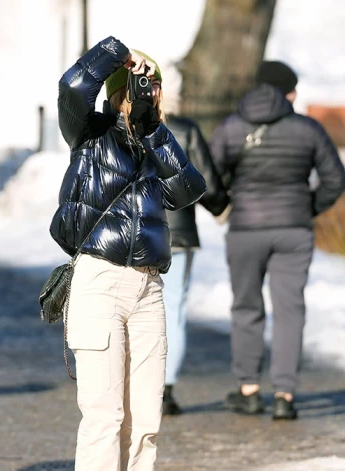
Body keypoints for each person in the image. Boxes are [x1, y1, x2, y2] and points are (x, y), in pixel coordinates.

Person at [51, 37, 207, 471]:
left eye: (155, 84)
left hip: (148, 290)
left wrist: (153, 129)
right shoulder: (89, 132)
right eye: (143, 82)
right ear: (121, 86)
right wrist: (118, 52)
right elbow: (73, 84)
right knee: (106, 418)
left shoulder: (157, 141)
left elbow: (188, 189)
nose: (151, 90)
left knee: (144, 422)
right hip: (99, 283)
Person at [211, 60, 345, 420]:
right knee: (290, 311)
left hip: (245, 230)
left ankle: (249, 390)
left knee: (246, 308)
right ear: (287, 91)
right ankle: (284, 395)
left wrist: (227, 207)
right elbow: (335, 179)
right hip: (294, 231)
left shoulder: (232, 127)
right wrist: (306, 208)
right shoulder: (308, 129)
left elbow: (207, 179)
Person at [161, 111, 230, 415]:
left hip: (130, 235)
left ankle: (132, 382)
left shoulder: (118, 125)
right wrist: (220, 208)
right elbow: (205, 181)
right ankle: (165, 388)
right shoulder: (184, 129)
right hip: (177, 234)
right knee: (173, 309)